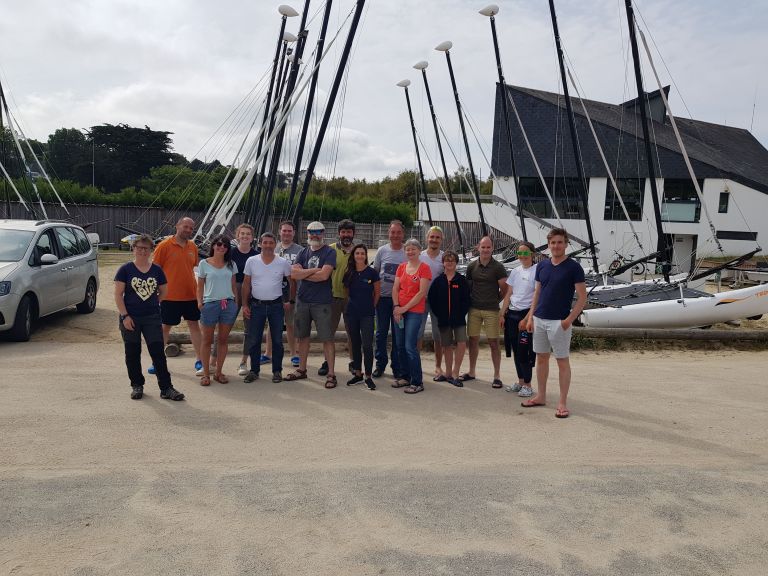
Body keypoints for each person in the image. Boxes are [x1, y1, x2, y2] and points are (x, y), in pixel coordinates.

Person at [523, 228, 587, 419]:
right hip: (540, 319)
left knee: (562, 362)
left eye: (560, 242)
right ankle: (541, 396)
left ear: (566, 244)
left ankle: (562, 403)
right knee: (541, 359)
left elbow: (582, 298)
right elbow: (537, 293)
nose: (556, 246)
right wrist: (530, 317)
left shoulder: (574, 268)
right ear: (548, 244)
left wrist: (569, 320)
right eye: (553, 243)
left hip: (559, 322)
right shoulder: (542, 266)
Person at [114, 235, 184, 401]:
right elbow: (118, 295)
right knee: (132, 353)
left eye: (146, 248)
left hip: (151, 317)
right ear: (133, 249)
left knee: (157, 352)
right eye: (139, 247)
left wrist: (154, 303)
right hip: (130, 318)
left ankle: (166, 388)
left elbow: (164, 291)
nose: (142, 251)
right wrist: (125, 316)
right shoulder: (125, 270)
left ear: (151, 250)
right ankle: (137, 385)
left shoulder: (157, 270)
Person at [151, 216, 204, 375]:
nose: (188, 230)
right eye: (185, 227)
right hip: (169, 296)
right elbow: (155, 270)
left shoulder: (192, 247)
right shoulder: (164, 246)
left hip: (190, 295)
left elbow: (193, 268)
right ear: (177, 226)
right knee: (164, 328)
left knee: (195, 327)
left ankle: (200, 360)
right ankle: (157, 361)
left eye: (191, 228)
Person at [288, 221, 337, 388]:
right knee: (303, 337)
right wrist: (314, 271)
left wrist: (303, 274)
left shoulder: (330, 252)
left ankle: (331, 374)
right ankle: (302, 370)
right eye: (311, 232)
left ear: (323, 233)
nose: (315, 235)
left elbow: (324, 276)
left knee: (327, 339)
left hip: (322, 302)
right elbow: (293, 274)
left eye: (318, 232)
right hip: (303, 301)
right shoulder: (303, 252)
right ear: (307, 233)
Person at [242, 232, 294, 383]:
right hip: (256, 305)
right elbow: (246, 284)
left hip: (276, 306)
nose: (268, 245)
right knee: (254, 340)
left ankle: (277, 371)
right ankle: (254, 370)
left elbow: (292, 282)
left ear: (275, 244)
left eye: (271, 243)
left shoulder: (282, 262)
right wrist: (245, 304)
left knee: (277, 340)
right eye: (265, 242)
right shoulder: (251, 261)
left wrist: (290, 301)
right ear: (260, 244)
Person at [461, 236, 509, 388]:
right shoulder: (471, 266)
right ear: (478, 248)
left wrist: (495, 300)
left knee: (494, 343)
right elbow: (468, 287)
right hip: (474, 309)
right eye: (483, 247)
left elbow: (505, 289)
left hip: (492, 310)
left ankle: (497, 376)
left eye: (488, 247)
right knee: (473, 341)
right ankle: (472, 371)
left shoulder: (498, 267)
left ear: (492, 248)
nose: (486, 250)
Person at [196, 235, 238, 386]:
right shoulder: (204, 264)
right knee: (207, 340)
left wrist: (235, 302)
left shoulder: (231, 264)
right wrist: (200, 303)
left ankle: (219, 372)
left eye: (225, 245)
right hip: (210, 304)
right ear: (213, 246)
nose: (222, 247)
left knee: (223, 340)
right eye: (219, 244)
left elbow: (234, 285)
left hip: (227, 304)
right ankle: (206, 374)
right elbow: (200, 286)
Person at [392, 238, 432, 394]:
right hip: (399, 309)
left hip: (414, 312)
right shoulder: (401, 267)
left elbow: (421, 293)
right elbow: (395, 288)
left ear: (419, 251)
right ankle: (405, 376)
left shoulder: (424, 268)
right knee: (400, 345)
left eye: (413, 249)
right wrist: (396, 307)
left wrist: (404, 309)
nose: (410, 252)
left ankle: (417, 381)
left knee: (410, 346)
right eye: (407, 249)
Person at [263, 221, 304, 367]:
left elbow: (300, 271)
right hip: (274, 293)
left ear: (294, 233)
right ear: (279, 231)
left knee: (291, 324)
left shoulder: (300, 250)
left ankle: (294, 354)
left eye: (289, 231)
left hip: (292, 293)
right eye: (284, 230)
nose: (286, 233)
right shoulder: (273, 248)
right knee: (272, 325)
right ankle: (268, 353)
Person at [427, 250, 470, 387]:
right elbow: (432, 300)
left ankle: (456, 372)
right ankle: (448, 373)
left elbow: (466, 300)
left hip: (459, 319)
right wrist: (440, 314)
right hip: (444, 320)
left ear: (456, 263)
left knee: (461, 343)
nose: (449, 262)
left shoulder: (461, 280)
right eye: (447, 260)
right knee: (446, 346)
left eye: (452, 260)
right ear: (443, 262)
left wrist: (460, 313)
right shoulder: (438, 281)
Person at [500, 241, 537, 398]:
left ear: (532, 254)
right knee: (515, 350)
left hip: (526, 314)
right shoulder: (515, 271)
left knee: (524, 351)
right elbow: (509, 293)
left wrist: (528, 318)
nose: (522, 256)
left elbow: (537, 296)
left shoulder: (537, 270)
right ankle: (521, 381)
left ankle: (528, 385)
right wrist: (502, 313)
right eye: (520, 253)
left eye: (525, 253)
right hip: (512, 315)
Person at [319, 219, 355, 376]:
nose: (346, 235)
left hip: (351, 298)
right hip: (331, 297)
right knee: (329, 332)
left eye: (349, 232)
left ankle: (354, 362)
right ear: (339, 233)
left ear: (353, 233)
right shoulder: (330, 250)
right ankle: (327, 361)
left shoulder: (358, 251)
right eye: (343, 232)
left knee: (352, 332)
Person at [343, 243, 380, 390]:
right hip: (352, 313)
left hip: (367, 314)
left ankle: (368, 376)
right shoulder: (349, 273)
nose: (360, 256)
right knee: (355, 343)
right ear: (353, 255)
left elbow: (377, 293)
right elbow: (346, 292)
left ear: (366, 256)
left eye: (362, 253)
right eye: (357, 253)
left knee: (367, 345)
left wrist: (372, 307)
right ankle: (358, 374)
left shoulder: (372, 273)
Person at [372, 220, 406, 378]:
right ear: (388, 233)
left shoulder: (407, 252)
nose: (395, 235)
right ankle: (380, 364)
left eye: (398, 232)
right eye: (393, 232)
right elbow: (376, 274)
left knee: (398, 334)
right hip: (383, 300)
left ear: (403, 234)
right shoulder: (381, 251)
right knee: (381, 333)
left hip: (400, 302)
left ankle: (397, 366)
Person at [229, 224, 259, 376]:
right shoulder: (231, 253)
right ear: (238, 235)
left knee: (249, 330)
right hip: (233, 291)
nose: (245, 236)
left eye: (248, 234)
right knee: (224, 326)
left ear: (252, 237)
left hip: (250, 292)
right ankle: (213, 361)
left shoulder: (256, 255)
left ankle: (243, 361)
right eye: (242, 233)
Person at [418, 225, 446, 381]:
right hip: (420, 300)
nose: (434, 240)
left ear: (441, 240)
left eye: (437, 237)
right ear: (427, 238)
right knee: (418, 333)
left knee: (438, 335)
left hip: (438, 302)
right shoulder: (420, 256)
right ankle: (417, 364)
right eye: (432, 237)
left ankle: (438, 365)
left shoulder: (444, 258)